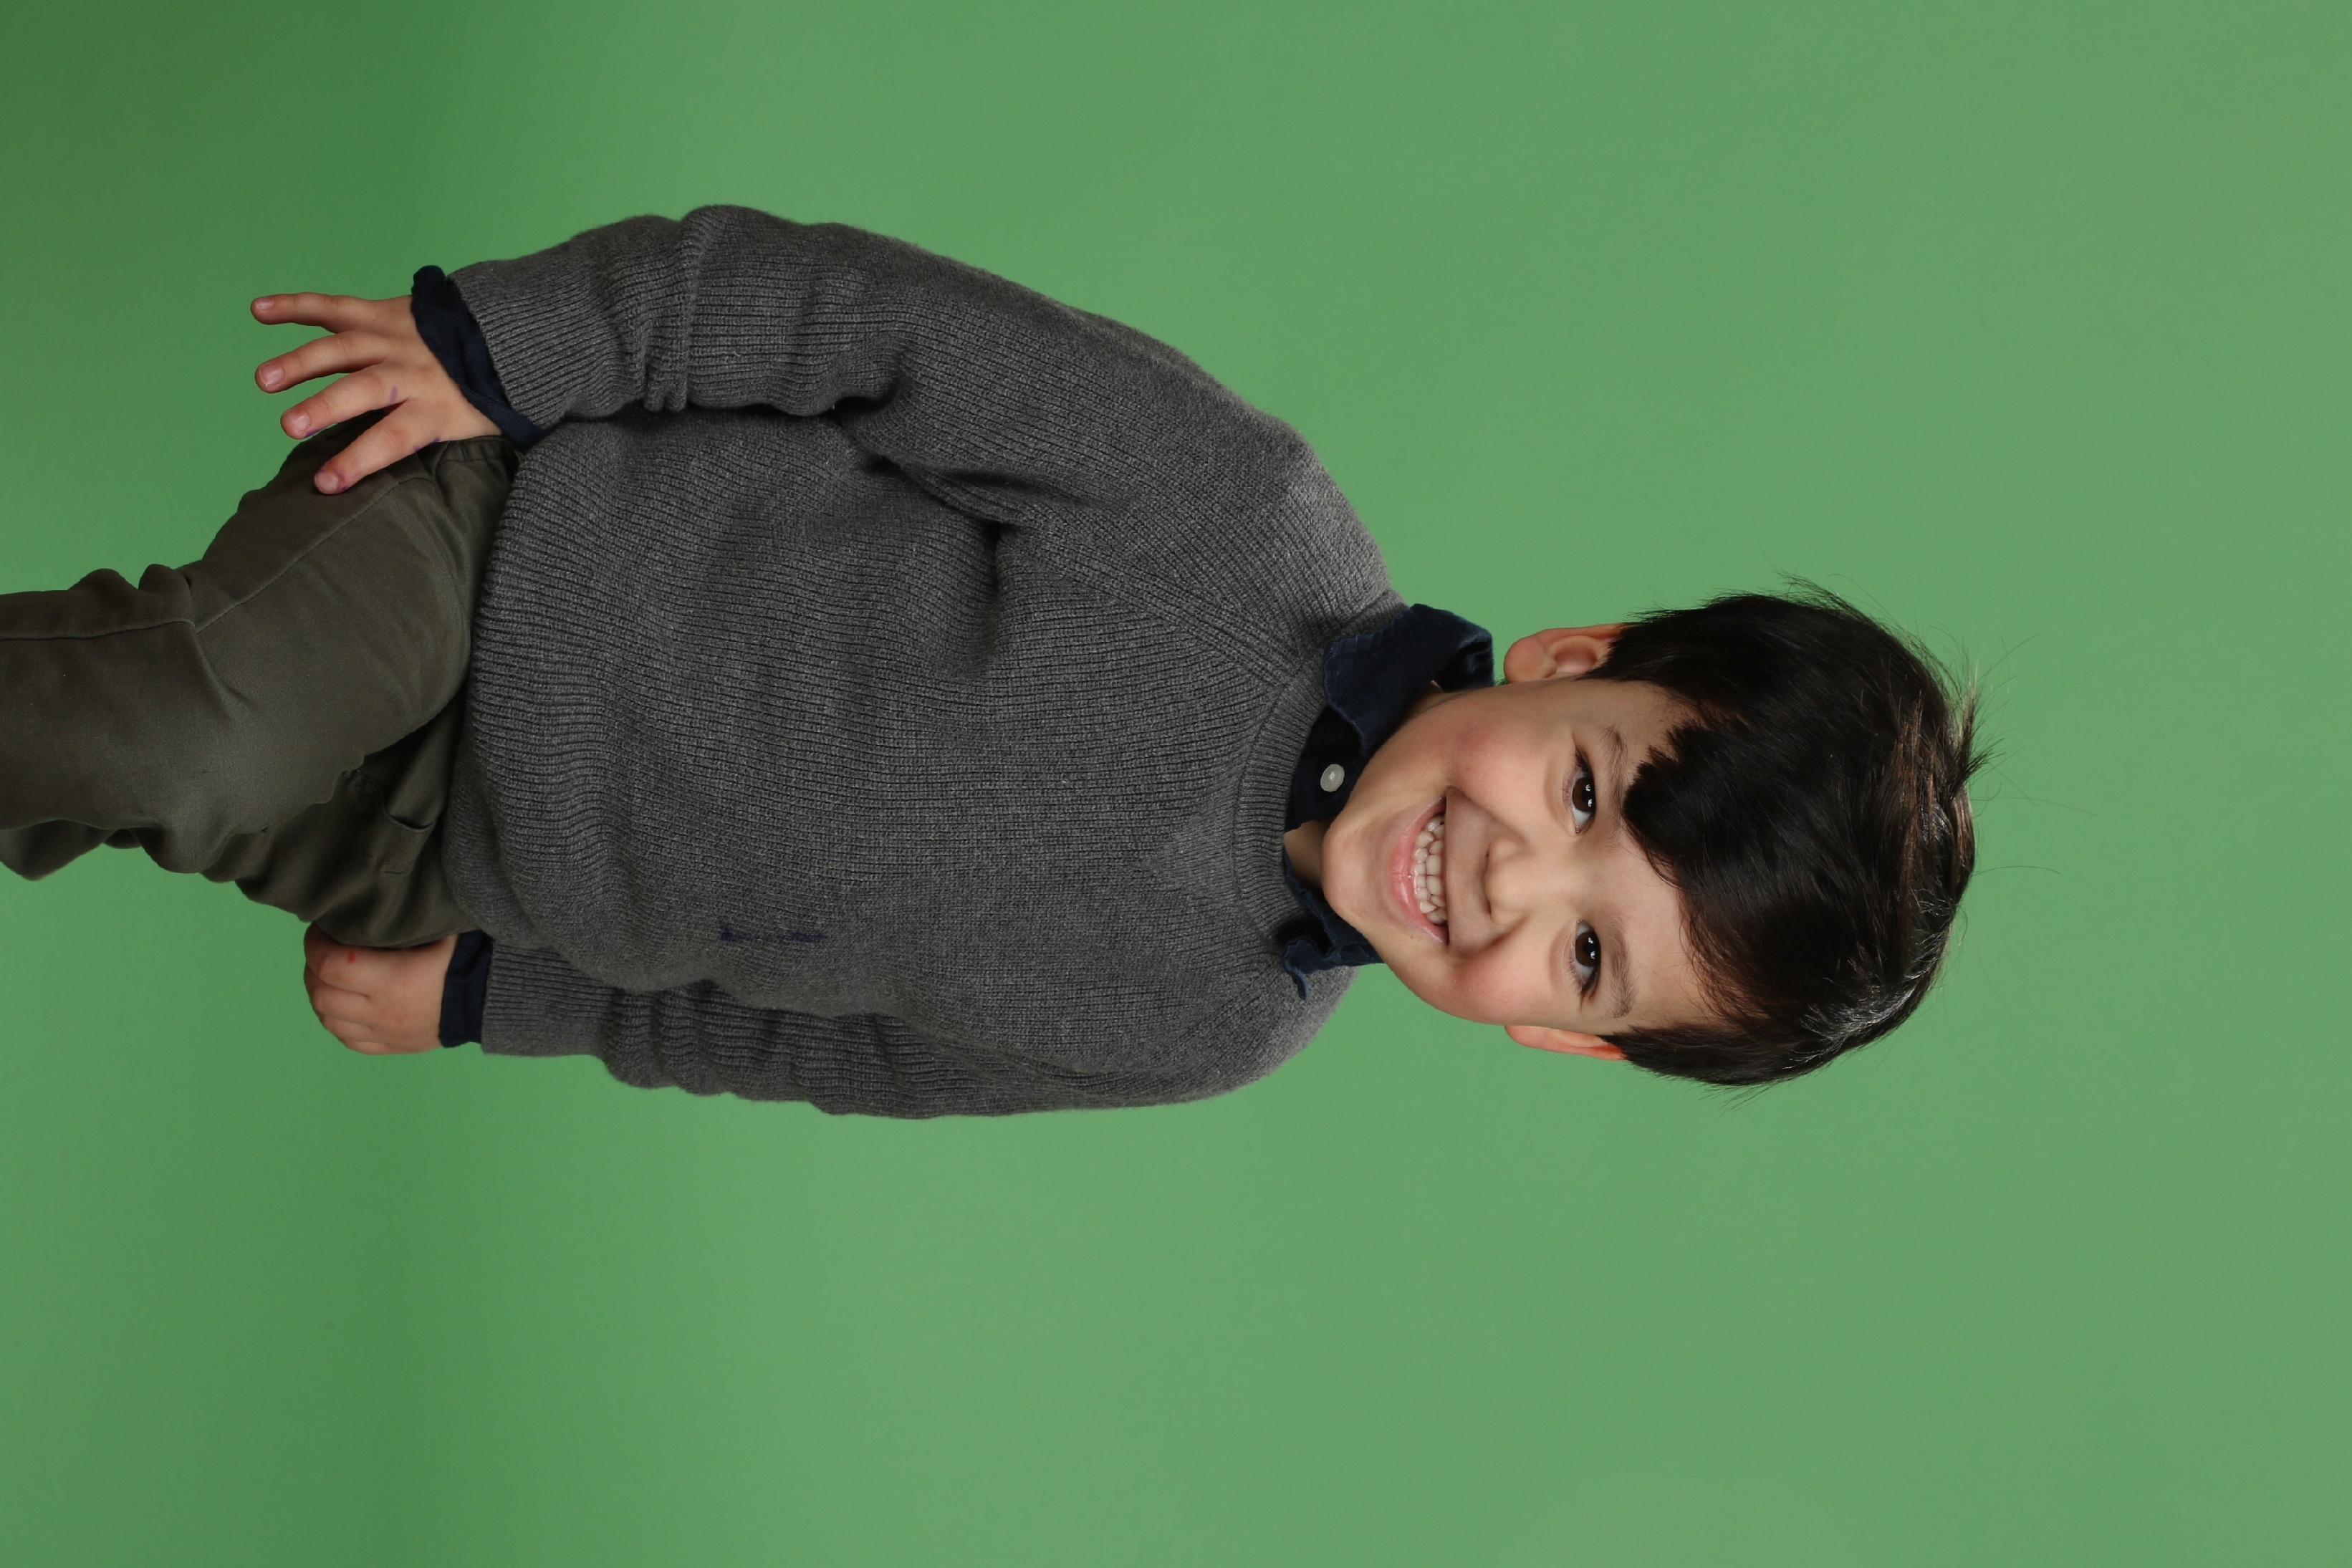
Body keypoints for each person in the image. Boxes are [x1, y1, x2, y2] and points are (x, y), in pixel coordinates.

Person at [0, 206, 1980, 1113]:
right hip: (496, 551)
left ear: (1567, 1038)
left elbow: (823, 1047)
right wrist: (509, 348)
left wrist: (502, 998)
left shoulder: (1212, 1031)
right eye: (1583, 792)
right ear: (1571, 659)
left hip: (462, 871)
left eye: (1586, 956)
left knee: (67, 777)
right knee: (179, 735)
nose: (1510, 881)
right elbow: (853, 318)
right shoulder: (1234, 518)